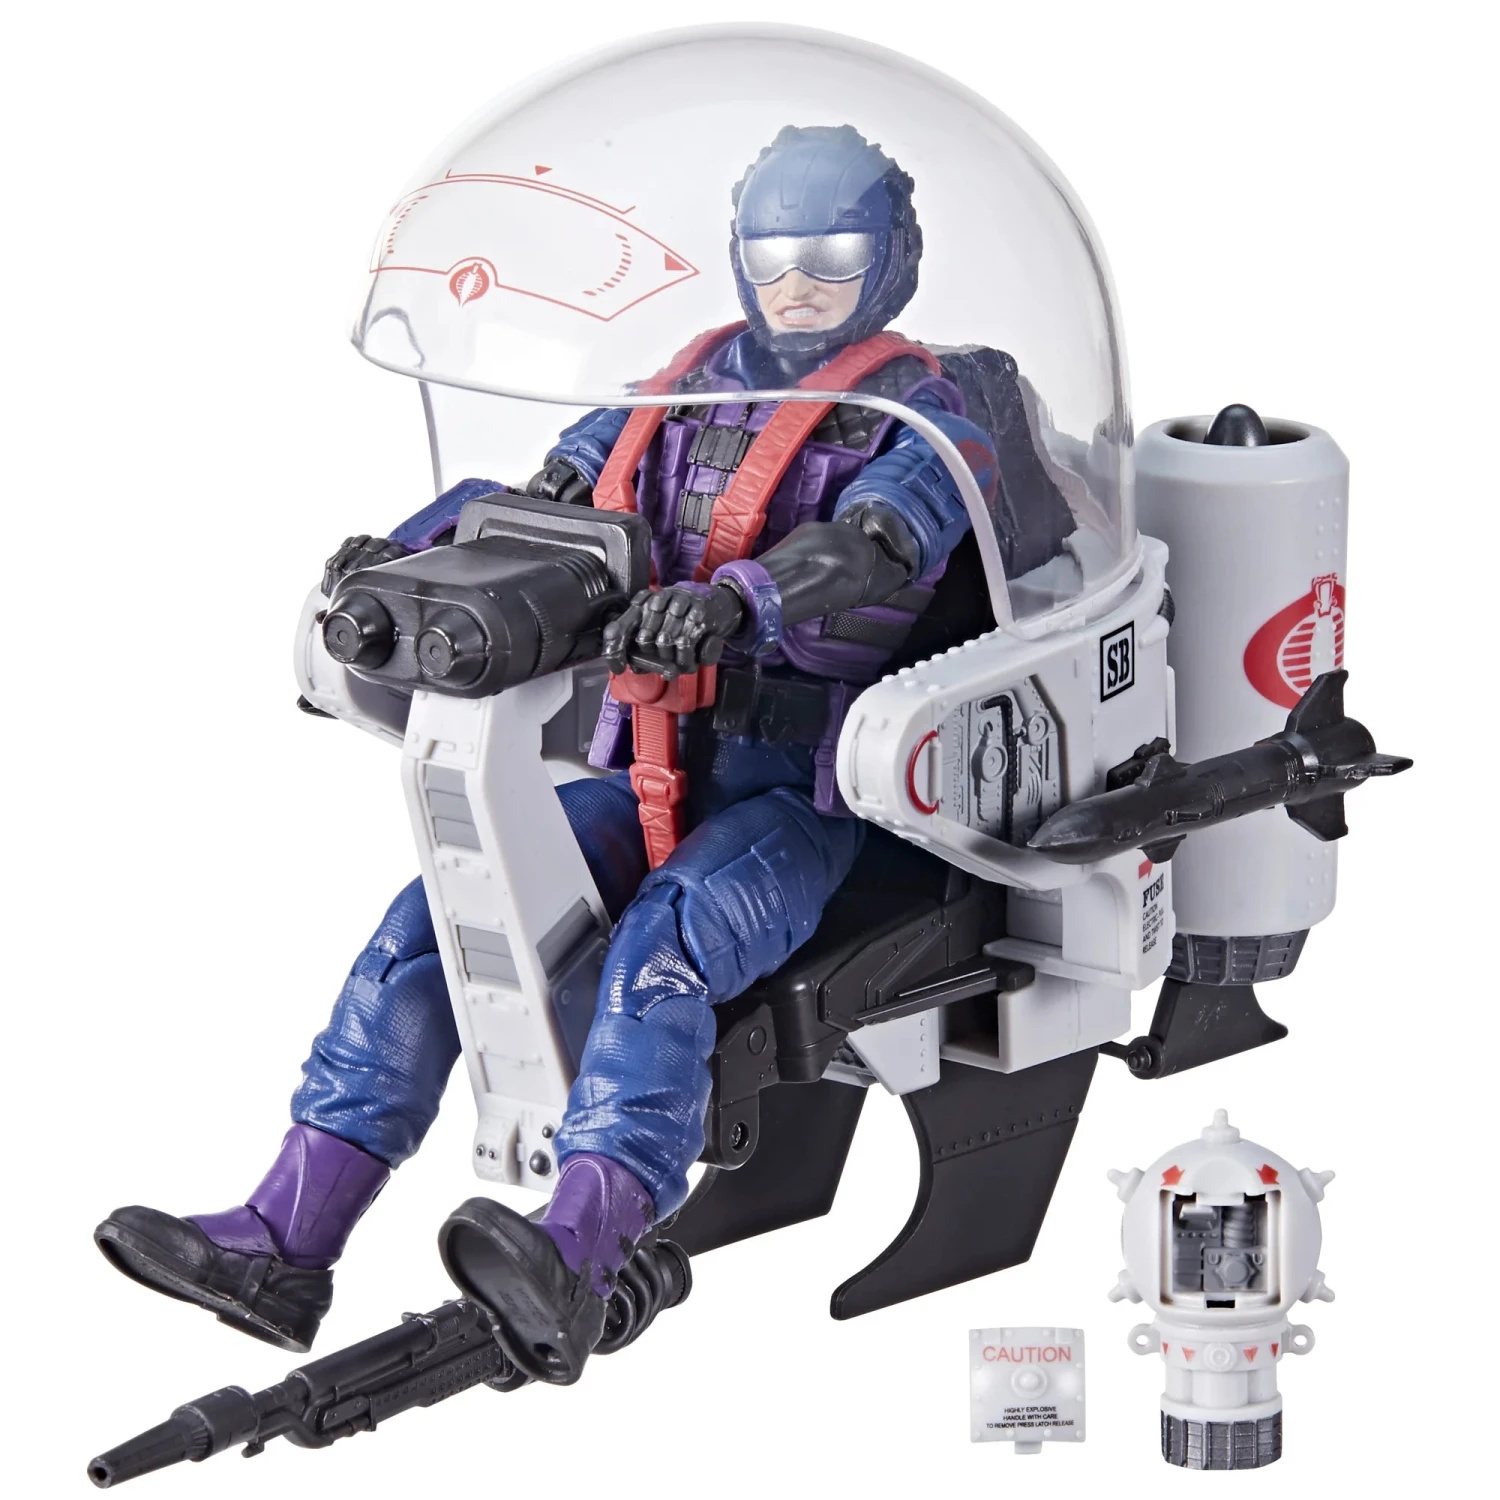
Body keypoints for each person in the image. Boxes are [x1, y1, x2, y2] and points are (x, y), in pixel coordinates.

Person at [96, 124, 1072, 1383]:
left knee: (664, 948)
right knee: (435, 920)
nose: (797, 287)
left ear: (891, 260)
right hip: (640, 759)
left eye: (832, 258)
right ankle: (286, 1240)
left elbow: (871, 550)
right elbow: (547, 496)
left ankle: (581, 1248)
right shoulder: (678, 390)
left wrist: (741, 602)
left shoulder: (923, 420)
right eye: (774, 257)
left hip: (804, 791)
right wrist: (408, 557)